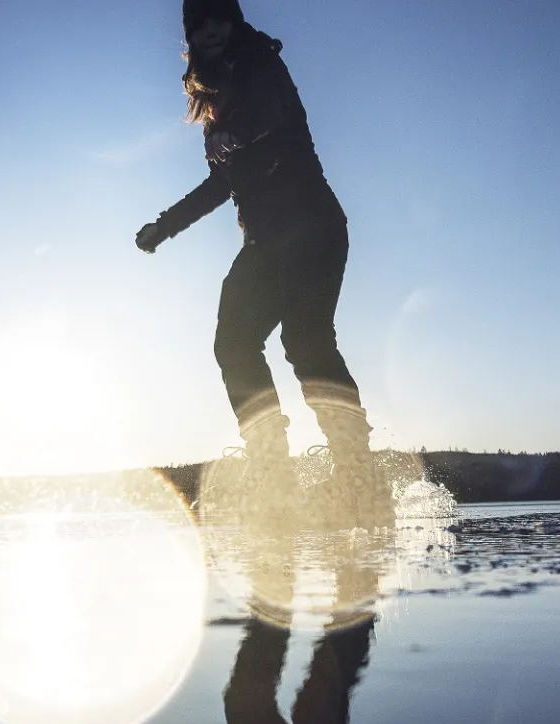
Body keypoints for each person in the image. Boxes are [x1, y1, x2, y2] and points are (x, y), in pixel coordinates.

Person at [135, 0, 392, 528]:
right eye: (198, 23)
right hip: (265, 242)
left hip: (312, 226)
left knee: (306, 341)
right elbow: (219, 184)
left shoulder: (259, 63)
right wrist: (166, 225)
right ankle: (274, 473)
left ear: (233, 22)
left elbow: (272, 127)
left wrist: (232, 154)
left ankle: (357, 477)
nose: (209, 30)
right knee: (233, 343)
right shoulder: (213, 104)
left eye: (217, 18)